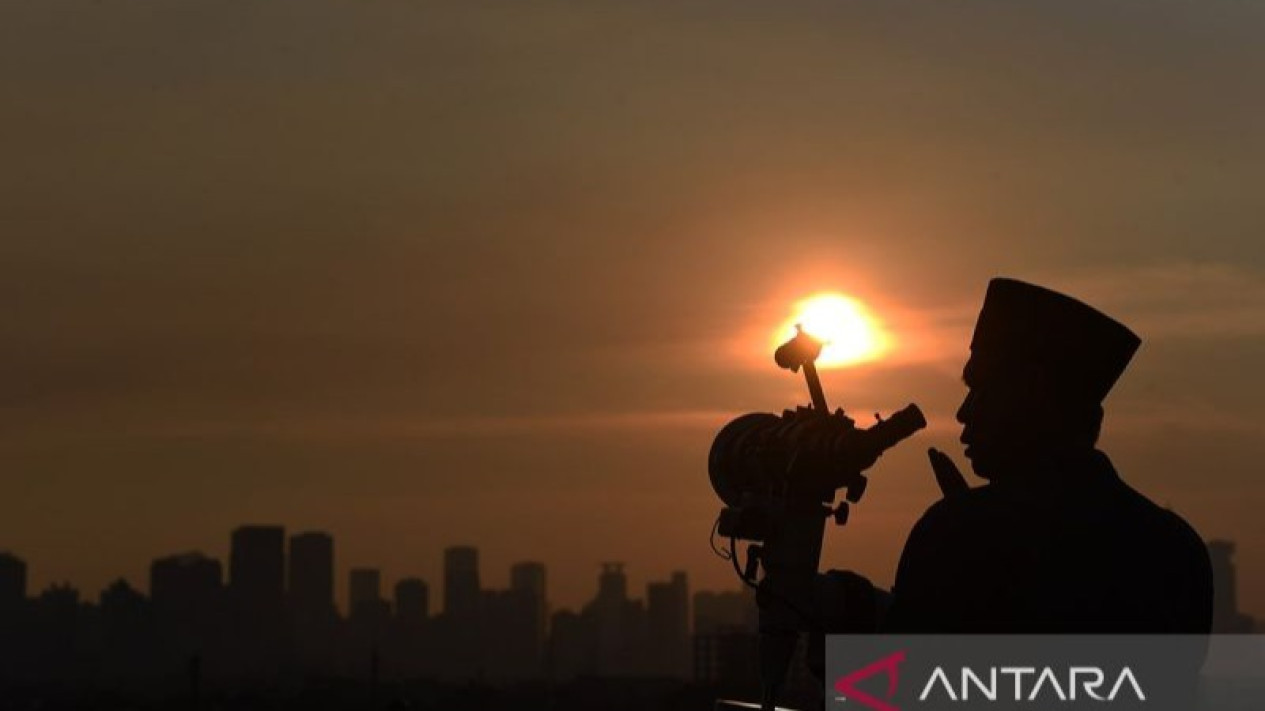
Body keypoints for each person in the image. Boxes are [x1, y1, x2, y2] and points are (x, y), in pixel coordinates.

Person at [822, 278, 1213, 635]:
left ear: (1032, 394)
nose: (963, 412)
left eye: (980, 390)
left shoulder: (958, 534)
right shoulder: (1176, 551)